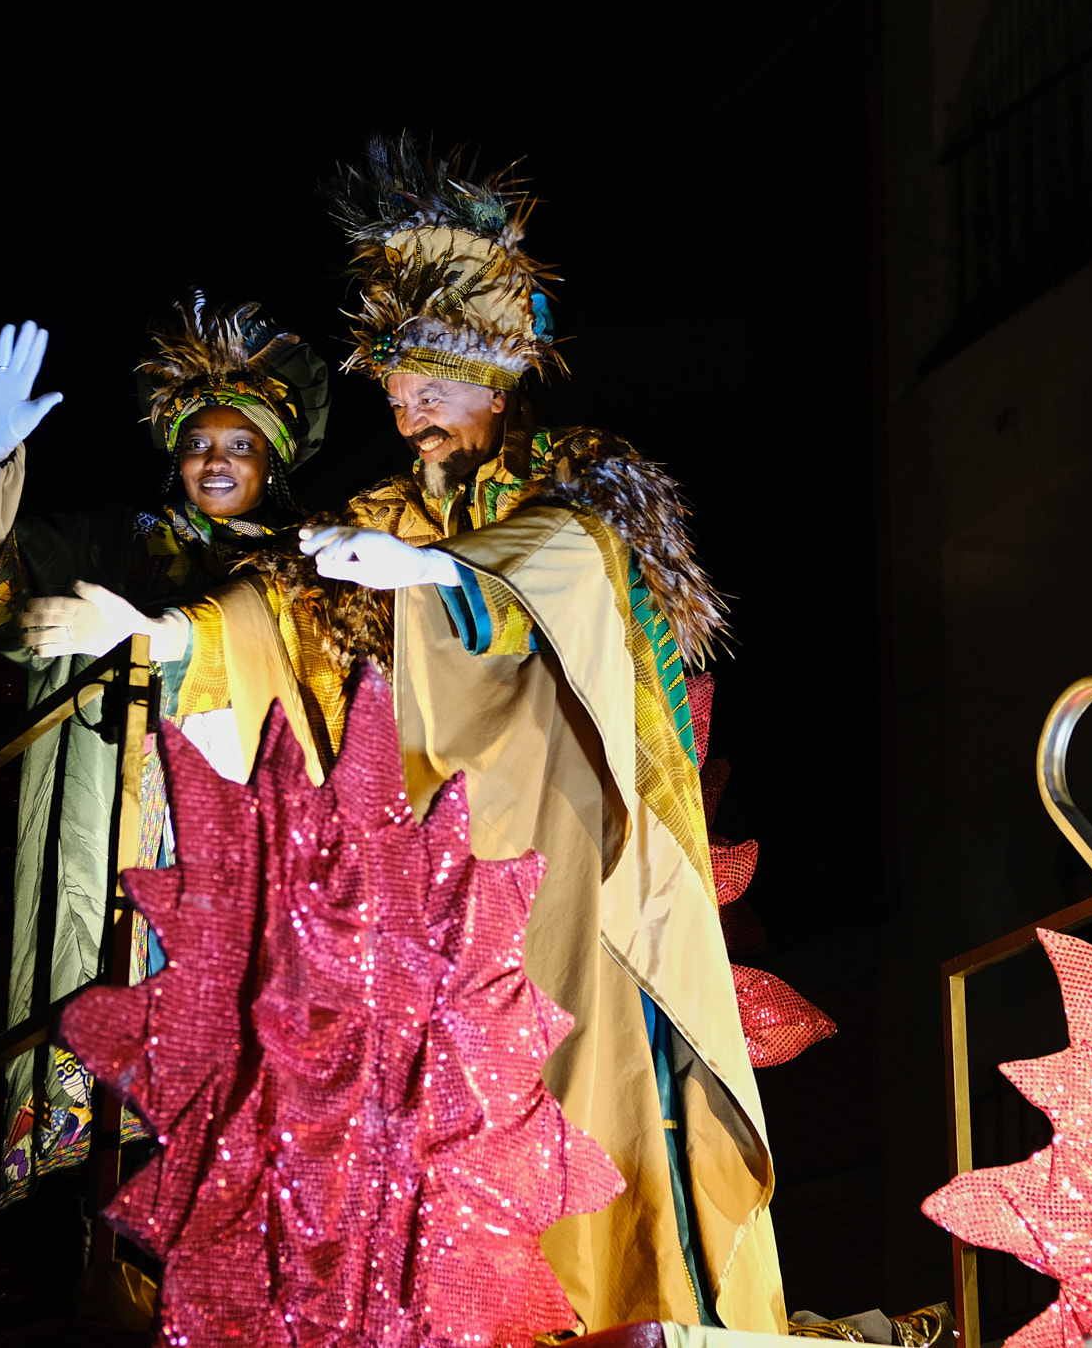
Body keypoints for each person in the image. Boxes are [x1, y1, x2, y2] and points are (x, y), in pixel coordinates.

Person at [40, 137, 782, 1334]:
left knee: (584, 1062)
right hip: (441, 867)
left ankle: (622, 1303)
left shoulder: (575, 479)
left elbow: (578, 569)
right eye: (396, 388)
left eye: (429, 384)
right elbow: (282, 605)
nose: (405, 407)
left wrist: (439, 572)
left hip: (572, 848)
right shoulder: (377, 513)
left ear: (493, 381)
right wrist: (170, 631)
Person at [0, 296, 329, 1208]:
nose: (217, 459)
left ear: (275, 463)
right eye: (201, 441)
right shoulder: (106, 543)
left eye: (241, 444)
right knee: (91, 1139)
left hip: (246, 872)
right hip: (107, 852)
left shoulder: (310, 569)